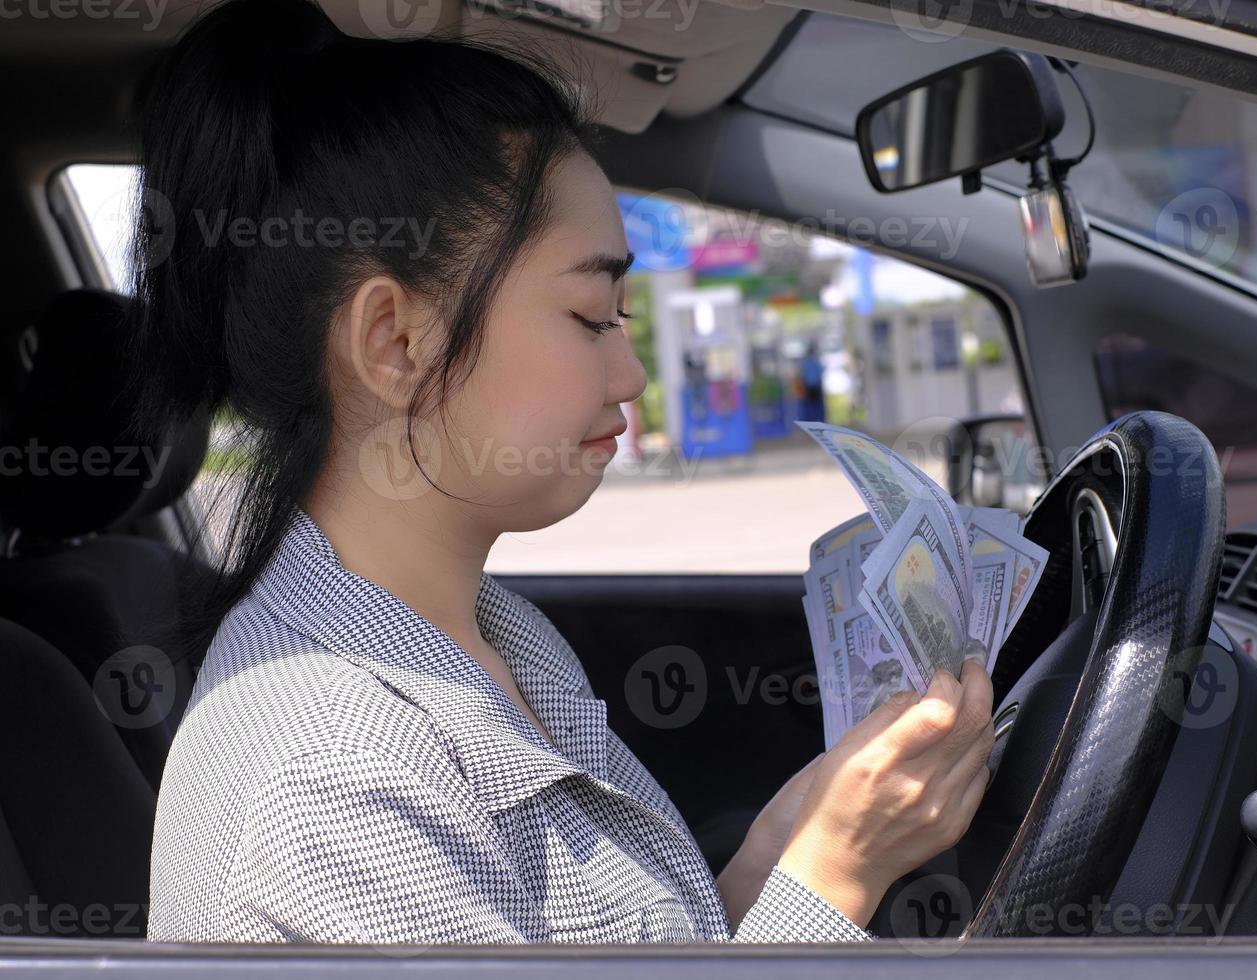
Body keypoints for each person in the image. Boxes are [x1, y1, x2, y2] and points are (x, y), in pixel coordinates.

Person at [127, 0, 995, 945]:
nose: (630, 375)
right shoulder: (332, 785)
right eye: (590, 316)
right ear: (397, 340)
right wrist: (836, 874)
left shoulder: (486, 635)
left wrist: (778, 857)